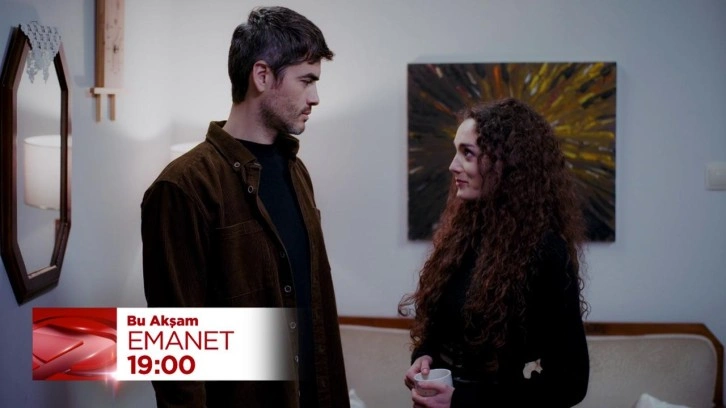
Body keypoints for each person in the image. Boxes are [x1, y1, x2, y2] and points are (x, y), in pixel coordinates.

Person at [141, 6, 349, 408]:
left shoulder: (296, 171)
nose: (315, 98)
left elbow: (315, 310)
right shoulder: (183, 187)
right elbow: (174, 356)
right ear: (262, 75)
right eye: (306, 80)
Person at [399, 98, 590, 408]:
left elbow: (570, 383)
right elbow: (441, 330)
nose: (453, 165)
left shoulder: (546, 250)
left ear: (505, 164)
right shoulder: (463, 234)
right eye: (456, 151)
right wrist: (424, 356)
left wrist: (463, 400)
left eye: (467, 153)